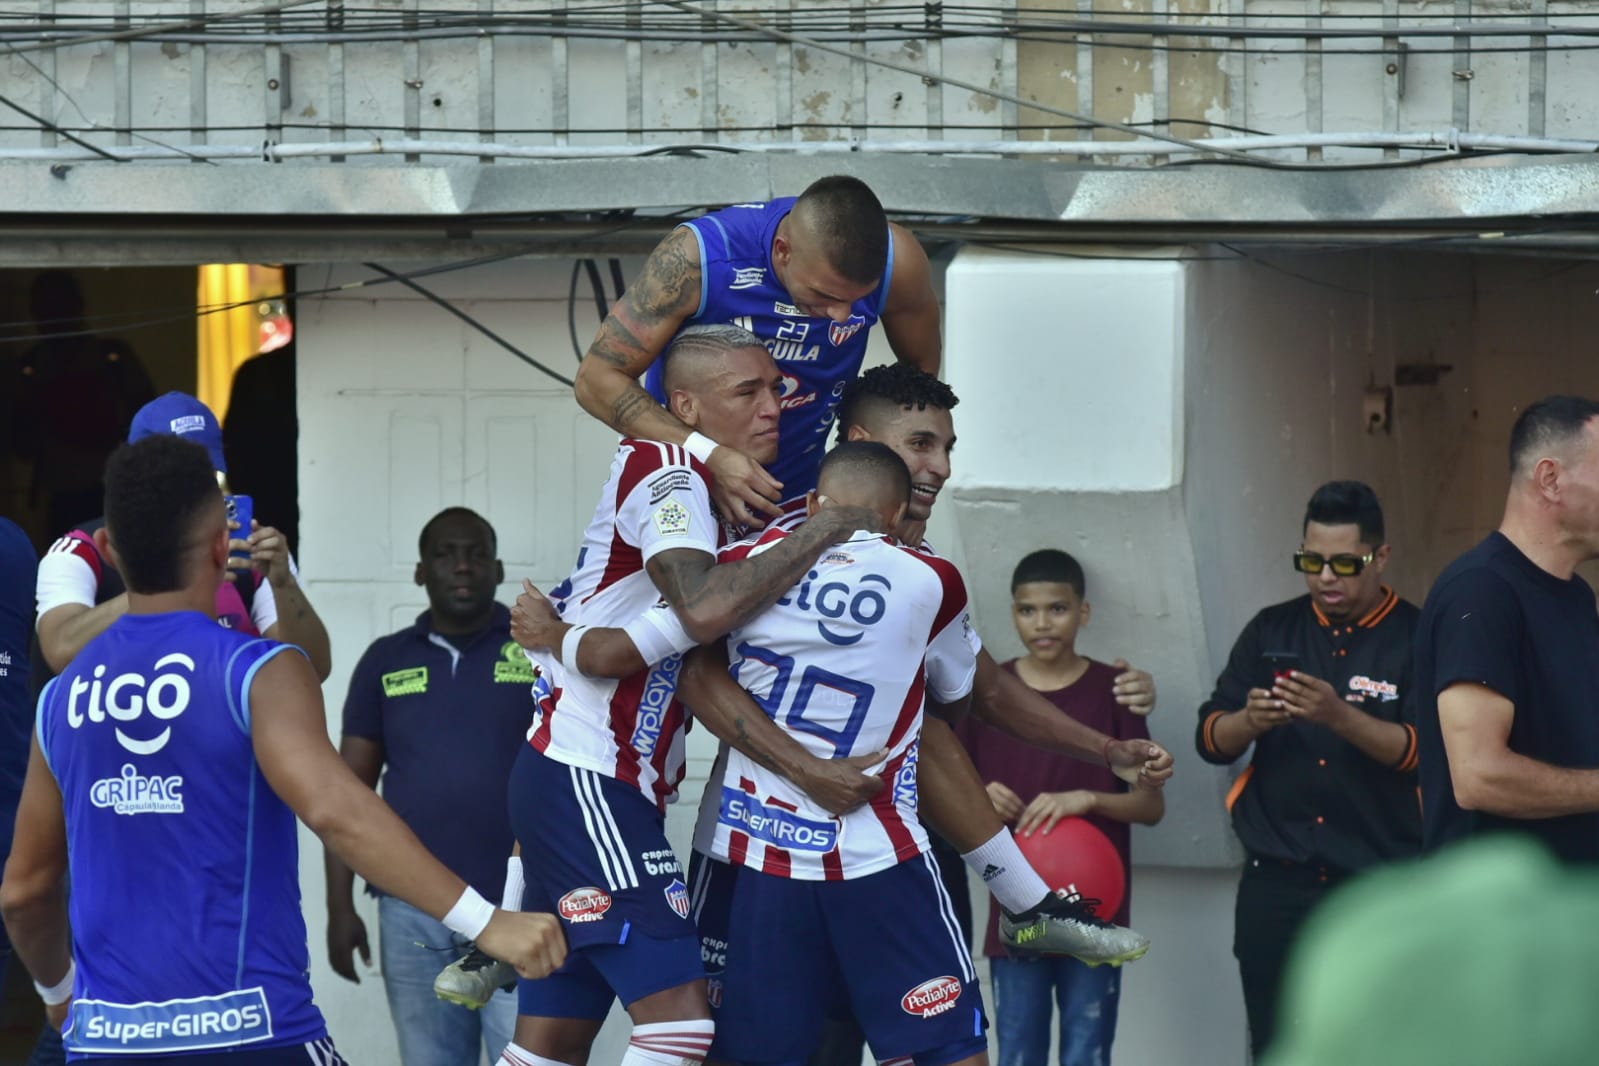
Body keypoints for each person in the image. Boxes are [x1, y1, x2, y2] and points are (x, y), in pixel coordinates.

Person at [0, 434, 568, 1064]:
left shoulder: (60, 699)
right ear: (224, 546)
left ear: (108, 549)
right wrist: (490, 924)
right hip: (252, 1033)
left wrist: (58, 993)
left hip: (106, 1040)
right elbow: (335, 808)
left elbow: (24, 893)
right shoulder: (258, 671)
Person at [495, 324, 890, 1066]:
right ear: (685, 405)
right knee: (681, 1026)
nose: (775, 404)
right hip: (588, 777)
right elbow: (704, 608)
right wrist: (823, 530)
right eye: (747, 391)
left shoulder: (700, 484)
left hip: (588, 781)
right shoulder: (670, 468)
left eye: (776, 386)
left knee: (550, 1043)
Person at [673, 441, 991, 1066]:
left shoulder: (742, 563)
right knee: (946, 1049)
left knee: (757, 1053)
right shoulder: (934, 579)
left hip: (763, 857)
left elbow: (691, 668)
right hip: (879, 852)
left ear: (814, 504)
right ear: (899, 518)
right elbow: (955, 697)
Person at [1193, 480, 1422, 1056]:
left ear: (1381, 557)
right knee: (1277, 1045)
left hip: (1377, 883)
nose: (1325, 577)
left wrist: (1338, 716)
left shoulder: (1419, 636)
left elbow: (1425, 752)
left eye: (1345, 562)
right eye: (1312, 560)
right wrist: (1250, 720)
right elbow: (1209, 738)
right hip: (1276, 880)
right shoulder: (1272, 628)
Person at [573, 174, 942, 529]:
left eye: (858, 299)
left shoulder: (900, 263)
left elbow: (919, 384)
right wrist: (709, 457)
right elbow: (595, 381)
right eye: (826, 296)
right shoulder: (699, 258)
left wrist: (900, 492)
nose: (841, 314)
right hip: (687, 490)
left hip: (798, 503)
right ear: (783, 252)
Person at [325, 508, 534, 1065]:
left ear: (498, 568)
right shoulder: (385, 662)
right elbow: (347, 796)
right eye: (445, 554)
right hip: (414, 911)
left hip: (518, 905)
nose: (462, 566)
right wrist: (338, 907)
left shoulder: (538, 655)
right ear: (421, 572)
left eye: (475, 554)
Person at [957, 549, 1163, 1066]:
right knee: (1018, 1054)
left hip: (1097, 916)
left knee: (1086, 1054)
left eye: (1058, 608)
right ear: (1012, 613)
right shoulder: (987, 696)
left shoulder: (1114, 693)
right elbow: (943, 795)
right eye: (1028, 610)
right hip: (1016, 917)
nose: (1042, 623)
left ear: (1084, 613)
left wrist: (1088, 798)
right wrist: (978, 797)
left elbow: (1151, 806)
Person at [34, 391, 332, 682]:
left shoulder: (248, 548)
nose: (188, 493)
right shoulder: (82, 551)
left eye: (203, 477)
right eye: (170, 481)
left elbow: (312, 670)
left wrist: (284, 585)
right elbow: (61, 651)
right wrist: (172, 581)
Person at [1415, 395, 1599, 863]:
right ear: (1551, 480)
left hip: (1562, 909)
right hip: (1495, 924)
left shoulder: (1577, 596)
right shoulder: (1480, 592)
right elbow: (1479, 776)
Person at [4, 271, 154, 535]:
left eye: (60, 305)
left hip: (111, 491)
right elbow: (21, 445)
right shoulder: (30, 368)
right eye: (45, 307)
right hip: (58, 495)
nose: (53, 316)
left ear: (77, 305)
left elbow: (148, 428)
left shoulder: (112, 359)